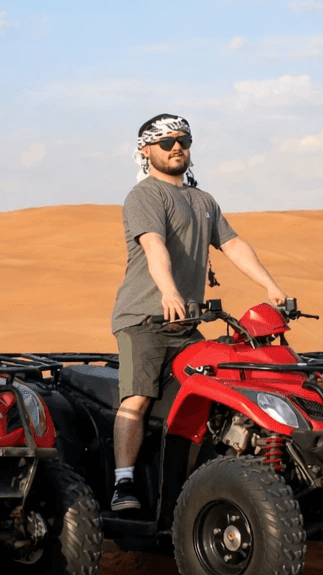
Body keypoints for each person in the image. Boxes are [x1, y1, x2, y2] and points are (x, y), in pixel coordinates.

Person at [108, 114, 288, 513]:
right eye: (167, 141)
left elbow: (235, 245)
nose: (177, 147)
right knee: (136, 398)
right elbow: (154, 246)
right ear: (145, 151)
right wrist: (169, 292)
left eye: (183, 140)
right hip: (144, 321)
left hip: (186, 326)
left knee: (217, 387)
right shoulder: (146, 196)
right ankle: (123, 483)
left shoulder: (203, 201)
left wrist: (270, 285)